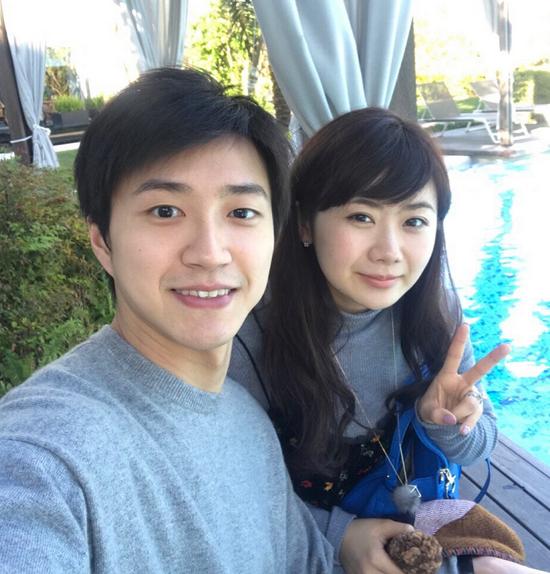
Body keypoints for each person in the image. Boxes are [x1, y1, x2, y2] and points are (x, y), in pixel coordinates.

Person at [0, 68, 334, 573]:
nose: (210, 253)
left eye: (241, 212)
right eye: (164, 211)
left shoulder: (246, 421)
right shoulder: (43, 456)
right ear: (102, 242)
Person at [229, 108, 547, 574]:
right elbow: (237, 493)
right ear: (304, 224)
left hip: (417, 534)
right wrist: (339, 535)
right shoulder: (249, 337)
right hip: (300, 546)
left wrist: (448, 426)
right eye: (361, 217)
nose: (389, 252)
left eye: (414, 221)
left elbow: (478, 446)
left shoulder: (434, 313)